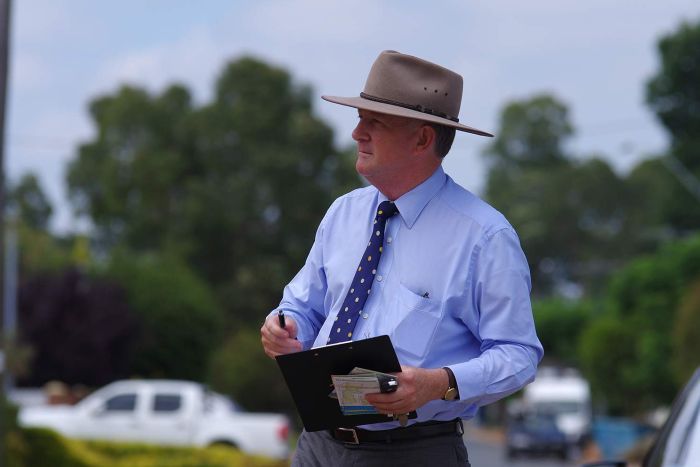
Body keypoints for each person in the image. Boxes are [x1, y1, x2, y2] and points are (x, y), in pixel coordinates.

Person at [260, 50, 543, 466]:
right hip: (316, 447)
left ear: (423, 139)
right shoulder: (344, 213)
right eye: (360, 118)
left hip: (414, 452)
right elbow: (303, 306)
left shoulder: (485, 237)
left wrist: (440, 383)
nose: (357, 133)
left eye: (374, 121)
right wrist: (283, 326)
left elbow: (519, 355)